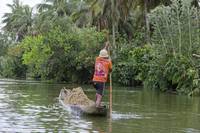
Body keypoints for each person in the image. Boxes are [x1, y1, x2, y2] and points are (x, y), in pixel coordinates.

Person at [92, 42, 112, 108]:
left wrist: (106, 46)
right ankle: (97, 107)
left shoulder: (97, 59)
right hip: (101, 81)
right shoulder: (108, 62)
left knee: (98, 92)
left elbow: (102, 52)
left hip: (94, 81)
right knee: (100, 95)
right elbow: (111, 70)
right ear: (106, 56)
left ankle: (96, 104)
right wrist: (110, 61)